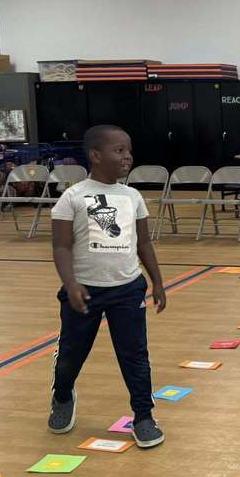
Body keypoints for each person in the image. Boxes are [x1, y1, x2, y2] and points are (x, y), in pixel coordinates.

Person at [48, 124, 167, 448]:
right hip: (84, 291)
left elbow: (143, 242)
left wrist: (157, 280)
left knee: (135, 356)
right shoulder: (72, 198)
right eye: (119, 151)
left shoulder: (132, 197)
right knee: (72, 355)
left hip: (127, 289)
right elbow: (61, 246)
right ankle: (62, 395)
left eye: (129, 150)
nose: (127, 156)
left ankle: (143, 416)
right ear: (96, 155)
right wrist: (70, 283)